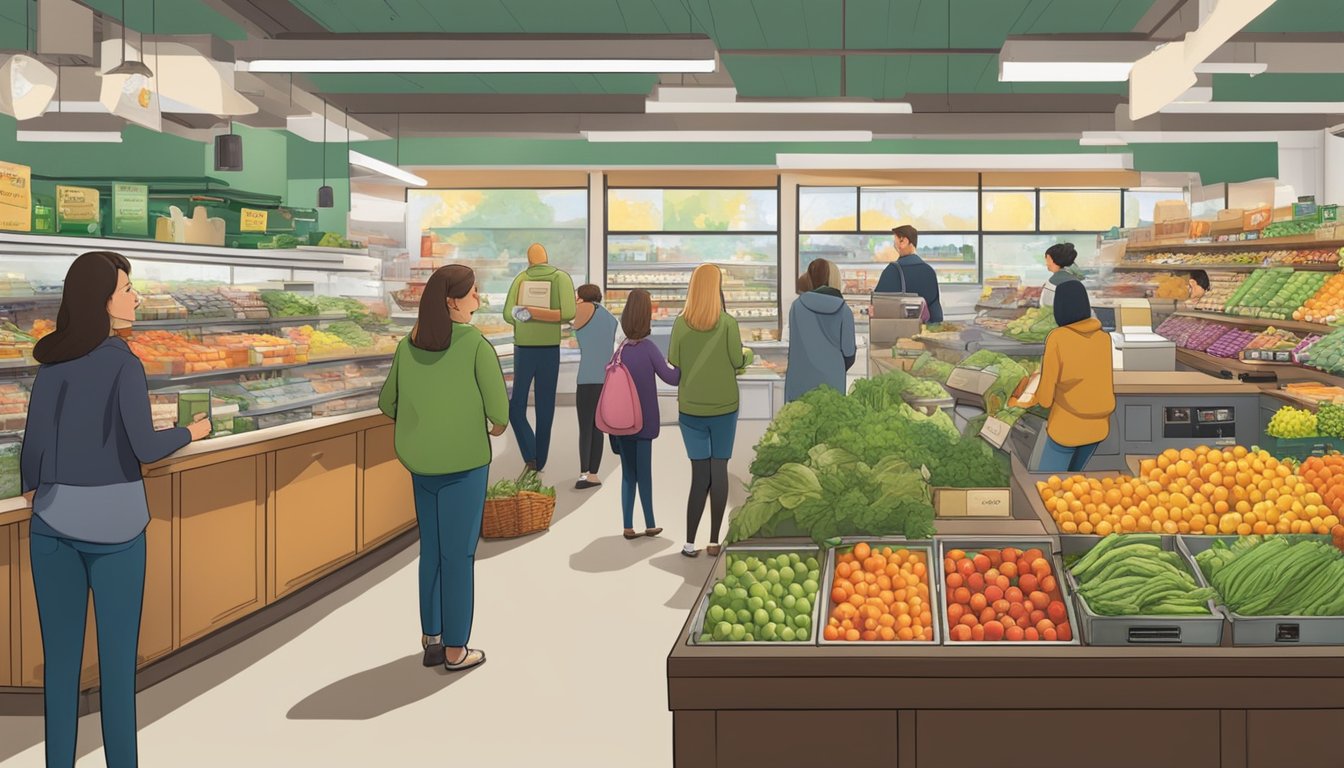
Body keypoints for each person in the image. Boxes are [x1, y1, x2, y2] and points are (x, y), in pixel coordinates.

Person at [21, 251, 211, 768]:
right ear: (102, 299)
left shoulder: (52, 360)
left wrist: (38, 488)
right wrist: (191, 431)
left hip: (53, 525)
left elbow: (34, 445)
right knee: (116, 666)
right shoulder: (124, 363)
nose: (135, 297)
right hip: (118, 530)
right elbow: (145, 448)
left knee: (61, 666)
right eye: (127, 288)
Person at [379, 264, 508, 673]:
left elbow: (387, 403)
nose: (479, 299)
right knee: (459, 556)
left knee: (431, 552)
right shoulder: (474, 344)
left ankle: (431, 639)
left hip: (421, 464)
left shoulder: (408, 344)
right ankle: (456, 650)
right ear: (454, 300)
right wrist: (493, 424)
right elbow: (499, 410)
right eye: (474, 293)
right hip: (464, 464)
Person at [671, 264, 749, 558]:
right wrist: (747, 356)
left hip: (690, 409)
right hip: (724, 408)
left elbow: (675, 360)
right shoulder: (728, 323)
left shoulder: (680, 324)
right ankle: (715, 540)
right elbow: (736, 361)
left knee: (698, 475)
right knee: (719, 471)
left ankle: (689, 542)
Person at [607, 289, 679, 539]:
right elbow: (672, 378)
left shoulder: (621, 351)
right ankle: (650, 523)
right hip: (644, 422)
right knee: (644, 474)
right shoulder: (649, 349)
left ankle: (627, 525)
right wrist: (681, 361)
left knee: (628, 475)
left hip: (621, 423)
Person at [502, 243, 575, 473]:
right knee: (545, 406)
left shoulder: (520, 278)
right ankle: (539, 457)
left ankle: (531, 455)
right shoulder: (561, 278)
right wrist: (545, 316)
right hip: (549, 350)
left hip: (523, 348)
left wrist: (529, 312)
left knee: (516, 406)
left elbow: (508, 314)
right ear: (546, 257)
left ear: (529, 260)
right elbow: (568, 313)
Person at [1032, 280, 1116, 473]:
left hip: (1067, 428)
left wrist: (1031, 398)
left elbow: (1045, 397)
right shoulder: (1103, 338)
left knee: (1048, 486)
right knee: (1074, 484)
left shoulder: (1058, 338)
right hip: (1098, 427)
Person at [786, 258, 856, 402]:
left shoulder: (796, 306)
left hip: (799, 382)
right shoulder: (844, 310)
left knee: (797, 422)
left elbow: (794, 346)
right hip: (832, 384)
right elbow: (849, 353)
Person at [572, 284, 617, 490]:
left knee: (585, 427)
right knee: (598, 427)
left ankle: (583, 473)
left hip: (587, 377)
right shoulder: (609, 317)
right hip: (605, 378)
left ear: (582, 297)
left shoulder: (584, 309)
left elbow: (563, 317)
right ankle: (593, 474)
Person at [873, 224, 942, 322]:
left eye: (895, 242)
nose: (894, 246)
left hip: (899, 333)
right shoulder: (929, 271)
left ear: (903, 241)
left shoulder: (892, 271)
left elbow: (878, 306)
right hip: (925, 333)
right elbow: (936, 314)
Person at [1039, 242, 1085, 309]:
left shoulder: (1053, 282)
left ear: (1054, 261)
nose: (1046, 263)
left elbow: (1046, 308)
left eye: (1047, 259)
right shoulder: (1073, 280)